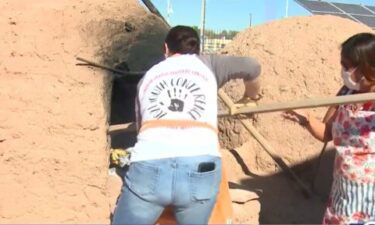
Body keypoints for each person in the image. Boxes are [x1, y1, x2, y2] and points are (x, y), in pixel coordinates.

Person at [111, 25, 261, 224]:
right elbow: (253, 66)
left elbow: (142, 128)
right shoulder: (209, 64)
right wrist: (250, 97)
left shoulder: (148, 76)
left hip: (150, 164)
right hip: (200, 165)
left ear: (166, 49)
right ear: (197, 48)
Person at [284, 32, 375, 225]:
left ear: (369, 66)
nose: (343, 71)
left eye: (347, 66)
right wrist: (307, 119)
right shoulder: (345, 93)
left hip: (370, 198)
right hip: (342, 191)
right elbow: (327, 133)